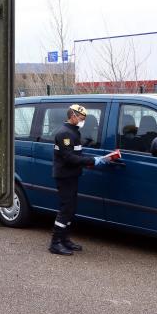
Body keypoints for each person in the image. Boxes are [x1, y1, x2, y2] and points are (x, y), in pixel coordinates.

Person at [49, 104, 108, 256]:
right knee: (66, 209)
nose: (82, 121)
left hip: (72, 174)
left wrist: (88, 162)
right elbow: (69, 158)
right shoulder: (65, 134)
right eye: (81, 118)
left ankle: (65, 239)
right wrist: (92, 161)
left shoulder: (73, 132)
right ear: (73, 116)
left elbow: (77, 155)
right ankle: (55, 243)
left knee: (71, 208)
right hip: (65, 176)